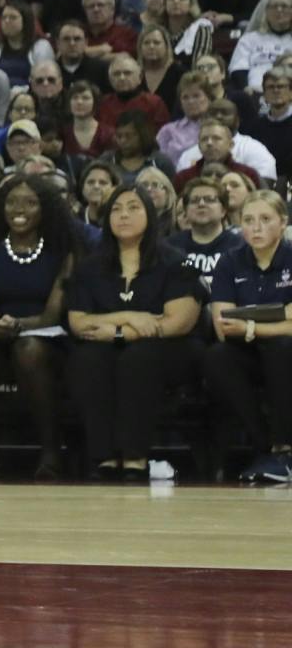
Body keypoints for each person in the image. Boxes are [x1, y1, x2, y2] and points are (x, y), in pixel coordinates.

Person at [66, 186, 203, 479]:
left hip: (170, 348)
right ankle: (103, 456)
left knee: (138, 357)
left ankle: (134, 457)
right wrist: (131, 316)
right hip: (106, 346)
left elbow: (178, 322)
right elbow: (79, 322)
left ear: (150, 216)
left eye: (133, 207)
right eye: (116, 209)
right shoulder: (90, 266)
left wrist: (118, 333)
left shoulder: (174, 260)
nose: (123, 215)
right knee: (89, 357)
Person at [0, 176, 76, 479]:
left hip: (48, 338)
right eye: (11, 202)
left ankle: (51, 451)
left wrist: (18, 325)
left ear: (46, 208)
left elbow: (52, 314)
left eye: (29, 203)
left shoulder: (63, 248)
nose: (18, 209)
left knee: (29, 349)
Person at [205, 190, 292, 483]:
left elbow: (240, 322)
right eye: (248, 220)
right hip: (247, 349)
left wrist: (251, 326)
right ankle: (265, 445)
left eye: (266, 219)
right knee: (217, 357)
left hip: (283, 349)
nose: (256, 227)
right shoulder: (230, 262)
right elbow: (224, 325)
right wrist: (282, 315)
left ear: (283, 222)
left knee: (282, 347)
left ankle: (285, 447)